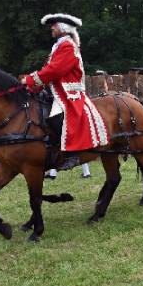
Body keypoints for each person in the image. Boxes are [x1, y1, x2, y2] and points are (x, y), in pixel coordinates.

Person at [21, 13, 109, 170]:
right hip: (57, 92)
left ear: (63, 27)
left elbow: (54, 70)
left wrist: (29, 80)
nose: (52, 27)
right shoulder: (59, 46)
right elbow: (49, 71)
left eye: (54, 25)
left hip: (69, 94)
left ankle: (73, 154)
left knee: (56, 117)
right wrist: (34, 86)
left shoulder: (67, 46)